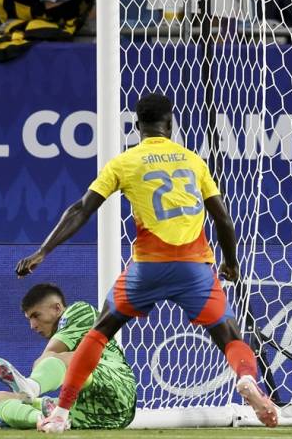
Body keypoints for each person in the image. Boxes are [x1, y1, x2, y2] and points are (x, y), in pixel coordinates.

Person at [16, 93, 278, 432]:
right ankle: (244, 378)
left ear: (137, 126)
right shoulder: (193, 161)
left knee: (99, 333)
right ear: (170, 124)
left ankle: (61, 413)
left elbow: (81, 209)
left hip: (147, 268)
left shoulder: (124, 162)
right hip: (193, 267)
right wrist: (231, 263)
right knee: (229, 334)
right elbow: (223, 220)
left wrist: (43, 252)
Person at [0, 283, 136, 430]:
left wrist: (31, 386)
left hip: (118, 388)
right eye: (29, 319)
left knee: (71, 358)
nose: (33, 325)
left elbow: (46, 360)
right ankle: (43, 420)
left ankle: (31, 388)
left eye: (36, 315)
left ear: (57, 308)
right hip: (92, 412)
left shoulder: (79, 310)